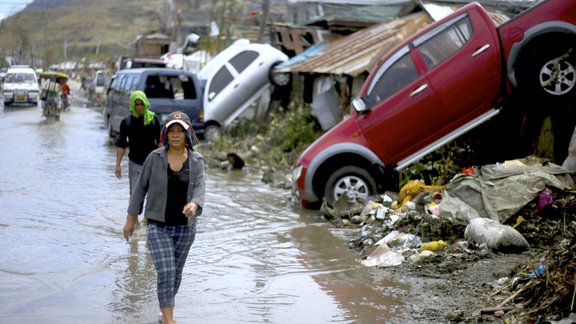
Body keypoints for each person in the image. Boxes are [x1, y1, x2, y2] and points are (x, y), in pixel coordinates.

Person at [122, 111, 205, 324]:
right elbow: (140, 189)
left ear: (188, 134)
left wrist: (194, 204)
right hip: (158, 226)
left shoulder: (197, 161)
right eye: (172, 131)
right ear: (165, 134)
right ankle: (169, 320)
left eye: (180, 131)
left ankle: (163, 313)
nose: (176, 135)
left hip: (185, 229)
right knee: (166, 270)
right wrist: (131, 218)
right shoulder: (154, 158)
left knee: (175, 274)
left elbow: (199, 189)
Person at [115, 90, 161, 195]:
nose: (139, 107)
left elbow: (159, 142)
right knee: (135, 196)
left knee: (153, 196)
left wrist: (164, 163)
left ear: (145, 103)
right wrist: (118, 164)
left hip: (152, 163)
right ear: (132, 105)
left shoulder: (153, 120)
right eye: (137, 104)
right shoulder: (126, 122)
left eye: (142, 104)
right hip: (134, 162)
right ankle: (133, 212)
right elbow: (121, 145)